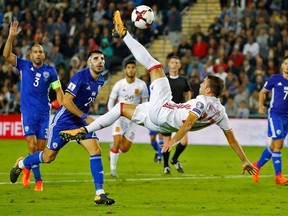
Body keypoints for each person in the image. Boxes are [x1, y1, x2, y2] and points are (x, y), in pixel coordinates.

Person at [59, 11, 257, 176]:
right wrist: (245, 160)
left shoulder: (203, 101)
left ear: (209, 89)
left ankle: (124, 33)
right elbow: (232, 139)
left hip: (163, 111)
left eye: (204, 82)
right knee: (120, 108)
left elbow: (188, 122)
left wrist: (173, 139)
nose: (201, 82)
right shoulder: (220, 112)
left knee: (154, 65)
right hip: (158, 122)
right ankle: (83, 132)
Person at [9, 49, 115, 205]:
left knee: (96, 150)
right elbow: (66, 101)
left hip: (79, 122)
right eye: (96, 59)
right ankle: (22, 163)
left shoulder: (100, 80)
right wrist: (85, 117)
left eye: (102, 59)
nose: (100, 61)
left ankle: (99, 193)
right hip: (63, 122)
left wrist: (83, 118)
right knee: (48, 157)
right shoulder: (79, 77)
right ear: (89, 62)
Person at [3, 21, 64, 192]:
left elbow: (58, 91)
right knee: (32, 145)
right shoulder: (24, 65)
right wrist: (11, 37)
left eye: (41, 52)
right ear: (31, 55)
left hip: (44, 113)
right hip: (28, 112)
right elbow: (6, 54)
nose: (38, 54)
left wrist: (63, 105)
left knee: (41, 150)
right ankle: (38, 181)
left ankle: (25, 165)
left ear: (44, 56)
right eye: (35, 52)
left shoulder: (51, 71)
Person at [107, 59, 149, 177]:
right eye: (129, 67)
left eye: (133, 67)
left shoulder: (142, 85)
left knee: (125, 148)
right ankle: (113, 171)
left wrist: (142, 116)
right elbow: (110, 102)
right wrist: (112, 116)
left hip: (133, 120)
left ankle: (112, 151)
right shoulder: (119, 84)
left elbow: (145, 103)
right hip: (119, 118)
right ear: (125, 70)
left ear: (136, 69)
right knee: (117, 142)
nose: (131, 69)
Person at [251, 55, 288, 185]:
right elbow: (262, 92)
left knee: (274, 145)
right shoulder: (275, 78)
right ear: (282, 65)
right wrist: (261, 106)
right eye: (285, 63)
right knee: (278, 144)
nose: (287, 65)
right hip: (275, 115)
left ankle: (257, 166)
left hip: (287, 117)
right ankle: (278, 177)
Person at [162, 55, 192, 174]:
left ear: (179, 65)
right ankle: (166, 166)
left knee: (184, 141)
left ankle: (174, 159)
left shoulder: (183, 79)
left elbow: (187, 91)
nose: (174, 64)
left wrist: (188, 103)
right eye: (172, 62)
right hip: (166, 113)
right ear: (168, 65)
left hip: (180, 113)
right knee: (167, 140)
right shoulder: (164, 80)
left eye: (176, 62)